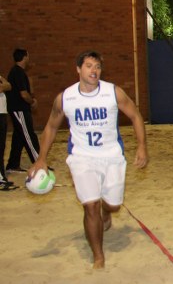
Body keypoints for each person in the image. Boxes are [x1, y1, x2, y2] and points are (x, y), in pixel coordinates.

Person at [28, 51, 148, 269]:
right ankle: (98, 256)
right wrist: (41, 159)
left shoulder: (113, 92)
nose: (94, 70)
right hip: (82, 158)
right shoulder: (65, 98)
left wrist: (141, 146)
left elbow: (135, 115)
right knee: (90, 206)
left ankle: (106, 210)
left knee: (113, 205)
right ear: (78, 69)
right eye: (89, 66)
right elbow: (51, 127)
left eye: (98, 67)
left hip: (112, 156)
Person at [6, 48, 40, 174]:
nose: (29, 58)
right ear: (25, 57)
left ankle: (12, 165)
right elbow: (24, 94)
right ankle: (39, 163)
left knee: (19, 137)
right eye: (28, 56)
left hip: (19, 108)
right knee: (29, 135)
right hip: (19, 109)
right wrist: (32, 102)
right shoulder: (17, 72)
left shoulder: (19, 72)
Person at [0, 73, 16, 190]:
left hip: (2, 113)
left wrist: (4, 84)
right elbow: (3, 87)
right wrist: (4, 84)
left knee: (1, 147)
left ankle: (2, 177)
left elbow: (9, 86)